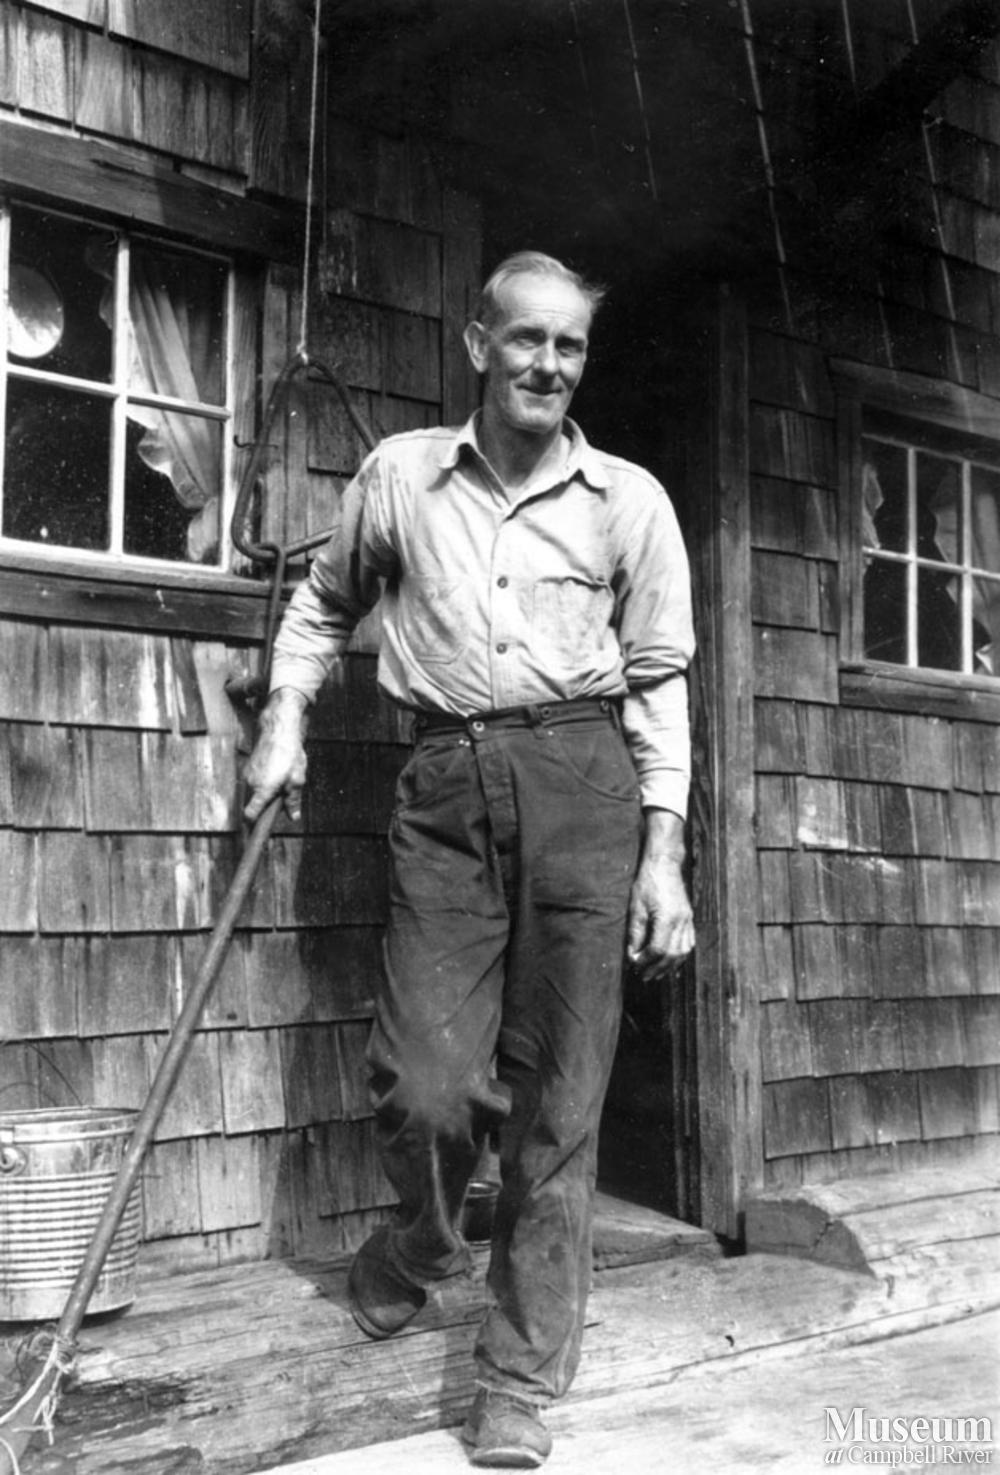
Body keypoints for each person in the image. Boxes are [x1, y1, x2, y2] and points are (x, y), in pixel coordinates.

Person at [243, 250, 696, 1469]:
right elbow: (322, 605)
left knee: (560, 1099)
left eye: (569, 344)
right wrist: (284, 718)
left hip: (582, 782)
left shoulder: (629, 501)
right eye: (526, 338)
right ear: (477, 344)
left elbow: (659, 685)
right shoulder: (401, 476)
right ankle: (423, 1242)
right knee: (426, 1083)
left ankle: (517, 1378)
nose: (548, 364)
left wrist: (663, 854)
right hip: (444, 779)